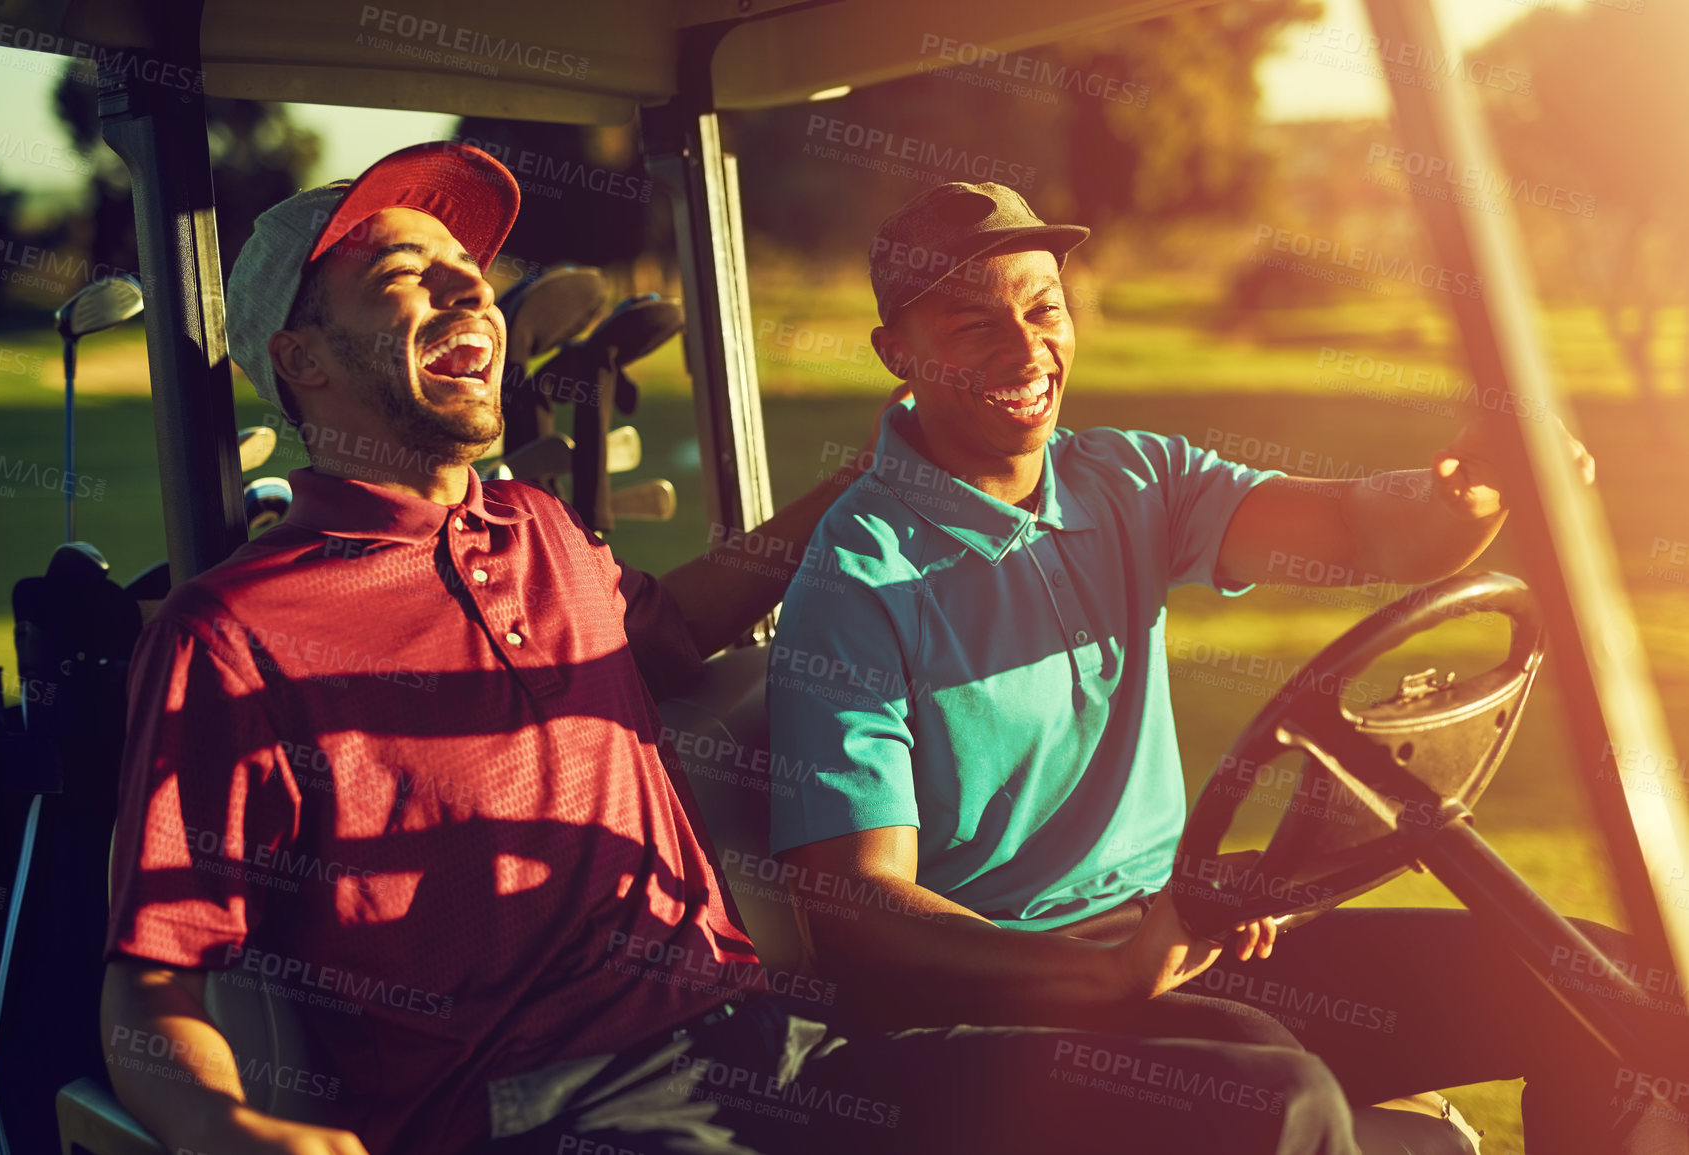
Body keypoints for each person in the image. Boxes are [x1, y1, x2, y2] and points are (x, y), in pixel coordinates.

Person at [100, 143, 1362, 1155]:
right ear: (301, 363)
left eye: (467, 271)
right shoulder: (237, 637)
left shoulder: (536, 531)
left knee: (1263, 1096)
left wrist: (897, 460)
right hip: (552, 1108)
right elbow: (154, 980)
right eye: (402, 281)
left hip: (768, 1052)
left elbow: (679, 622)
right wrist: (232, 1127)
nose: (466, 288)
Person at [765, 180, 1687, 1155]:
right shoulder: (859, 574)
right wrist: (1109, 973)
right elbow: (856, 904)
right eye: (972, 323)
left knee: (1606, 988)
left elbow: (1353, 529)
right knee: (1271, 1092)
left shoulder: (1126, 477)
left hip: (1186, 934)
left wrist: (1468, 487)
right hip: (1030, 996)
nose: (1028, 348)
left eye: (1044, 309)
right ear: (896, 355)